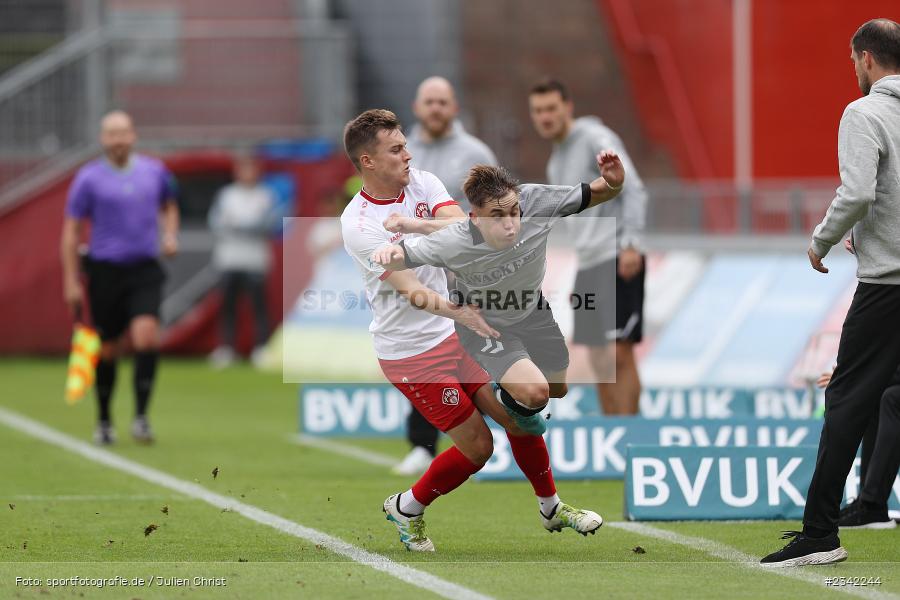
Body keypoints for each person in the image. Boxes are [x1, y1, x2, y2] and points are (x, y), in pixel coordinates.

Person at [340, 109, 603, 552]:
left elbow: (465, 225)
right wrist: (459, 312)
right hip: (412, 352)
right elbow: (409, 289)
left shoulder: (421, 182)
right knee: (479, 448)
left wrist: (423, 227)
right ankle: (406, 507)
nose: (408, 154)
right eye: (397, 149)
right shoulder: (359, 224)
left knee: (524, 417)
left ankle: (552, 508)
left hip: (455, 332)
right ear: (368, 162)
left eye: (405, 145)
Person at [761, 18, 900, 566]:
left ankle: (820, 532)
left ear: (865, 59)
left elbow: (859, 190)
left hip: (888, 286)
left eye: (852, 63)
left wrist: (824, 238)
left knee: (846, 398)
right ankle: (862, 508)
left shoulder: (863, 112)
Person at [373, 154, 626, 439]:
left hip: (533, 311)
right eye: (497, 216)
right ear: (476, 218)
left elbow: (601, 192)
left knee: (557, 390)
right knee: (535, 393)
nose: (510, 225)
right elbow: (400, 256)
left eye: (514, 212)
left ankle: (511, 390)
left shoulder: (536, 202)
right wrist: (387, 253)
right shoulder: (454, 242)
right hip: (485, 322)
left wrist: (614, 181)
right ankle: (503, 393)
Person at [393, 76, 499, 476]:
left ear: (454, 108)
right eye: (429, 102)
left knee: (477, 347)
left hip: (467, 269)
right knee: (423, 353)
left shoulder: (475, 152)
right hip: (419, 269)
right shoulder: (403, 151)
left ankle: (487, 434)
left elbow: (494, 206)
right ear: (417, 108)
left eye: (443, 102)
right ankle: (422, 444)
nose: (436, 108)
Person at [529, 79, 648, 415]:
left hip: (615, 254)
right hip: (589, 262)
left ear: (568, 107)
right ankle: (613, 432)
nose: (545, 117)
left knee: (618, 354)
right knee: (599, 358)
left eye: (551, 108)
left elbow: (634, 187)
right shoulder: (556, 160)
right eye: (538, 111)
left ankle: (631, 436)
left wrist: (631, 244)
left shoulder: (596, 138)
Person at [60, 110, 179, 445]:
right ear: (102, 139)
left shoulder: (154, 171)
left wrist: (170, 236)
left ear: (134, 135)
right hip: (105, 271)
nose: (118, 140)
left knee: (146, 337)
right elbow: (71, 231)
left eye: (123, 132)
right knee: (109, 348)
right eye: (112, 134)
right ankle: (104, 419)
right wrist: (70, 280)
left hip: (144, 268)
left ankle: (141, 417)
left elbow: (170, 205)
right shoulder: (88, 178)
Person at [207, 156, 277, 369]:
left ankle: (261, 349)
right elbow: (216, 222)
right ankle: (227, 348)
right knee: (228, 306)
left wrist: (242, 226)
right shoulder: (226, 195)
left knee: (259, 306)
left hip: (255, 260)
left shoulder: (266, 196)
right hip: (229, 259)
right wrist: (243, 227)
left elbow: (270, 223)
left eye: (251, 169)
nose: (247, 174)